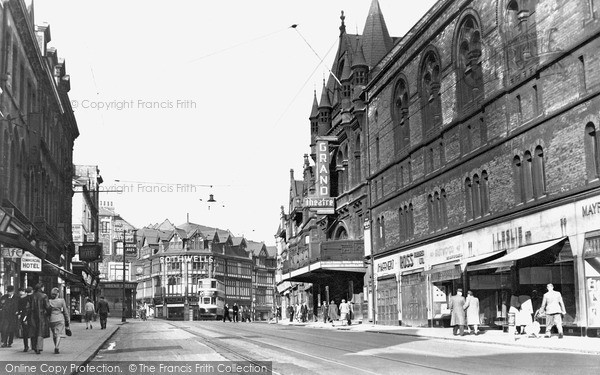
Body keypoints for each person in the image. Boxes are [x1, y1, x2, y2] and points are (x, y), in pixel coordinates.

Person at [29, 283, 50, 354]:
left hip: (32, 315)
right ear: (41, 288)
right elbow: (47, 306)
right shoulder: (44, 296)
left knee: (33, 331)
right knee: (40, 331)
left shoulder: (31, 296)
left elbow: (28, 307)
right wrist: (48, 313)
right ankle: (39, 347)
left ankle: (34, 346)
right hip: (41, 316)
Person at [48, 287, 69, 354]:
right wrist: (67, 320)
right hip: (60, 318)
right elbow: (65, 311)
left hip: (52, 318)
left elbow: (47, 311)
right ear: (58, 294)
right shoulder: (62, 301)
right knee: (58, 334)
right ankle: (57, 347)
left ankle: (56, 346)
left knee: (54, 334)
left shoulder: (49, 301)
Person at [17, 287, 33, 352]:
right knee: (33, 331)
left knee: (25, 333)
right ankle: (33, 345)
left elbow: (19, 308)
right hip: (32, 317)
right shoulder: (33, 298)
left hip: (24, 317)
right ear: (31, 291)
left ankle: (26, 346)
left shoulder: (22, 299)